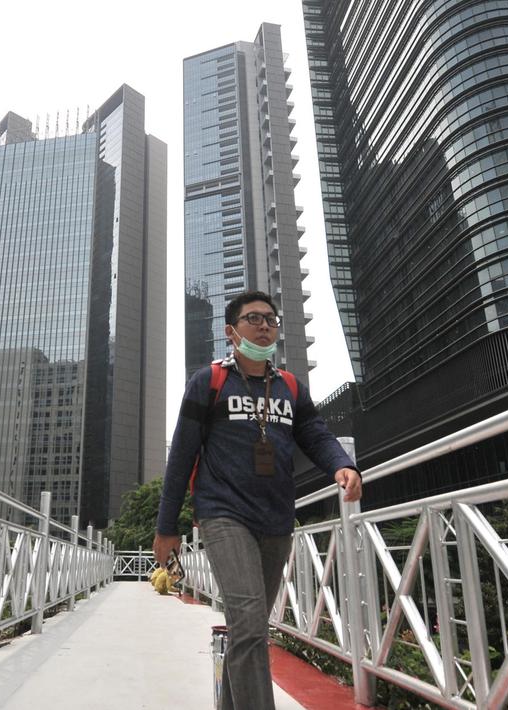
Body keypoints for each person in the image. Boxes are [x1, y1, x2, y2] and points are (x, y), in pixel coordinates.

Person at [154, 291, 362, 710]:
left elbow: (316, 434)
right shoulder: (209, 380)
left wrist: (341, 464)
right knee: (249, 624)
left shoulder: (289, 387)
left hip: (276, 518)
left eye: (271, 319)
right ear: (231, 332)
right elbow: (181, 457)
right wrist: (166, 527)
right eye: (253, 318)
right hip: (223, 514)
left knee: (247, 629)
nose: (265, 325)